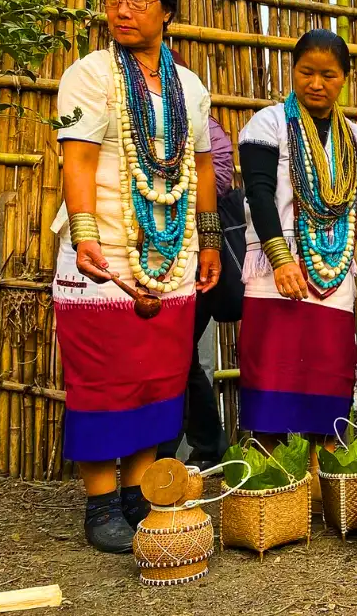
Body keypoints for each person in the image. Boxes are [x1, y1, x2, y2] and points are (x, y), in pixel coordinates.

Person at [52, 0, 220, 553]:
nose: (121, 10)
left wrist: (208, 240)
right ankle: (100, 505)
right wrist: (85, 230)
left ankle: (136, 493)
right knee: (102, 376)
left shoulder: (191, 88)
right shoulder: (89, 75)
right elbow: (75, 157)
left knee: (156, 376)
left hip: (170, 252)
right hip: (102, 250)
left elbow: (200, 164)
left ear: (167, 11)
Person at [236, 29, 357, 443]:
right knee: (272, 371)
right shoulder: (267, 123)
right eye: (307, 72)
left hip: (333, 270)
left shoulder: (353, 134)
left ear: (345, 79)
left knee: (327, 374)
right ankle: (269, 480)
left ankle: (324, 484)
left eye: (329, 75)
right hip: (275, 268)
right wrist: (282, 259)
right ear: (293, 71)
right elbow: (259, 193)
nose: (317, 84)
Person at [155, 50, 234, 470]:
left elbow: (219, 174)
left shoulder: (201, 119)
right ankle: (205, 444)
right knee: (175, 355)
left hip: (186, 249)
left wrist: (158, 179)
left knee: (177, 353)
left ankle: (169, 453)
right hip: (139, 251)